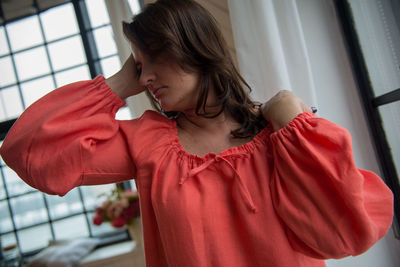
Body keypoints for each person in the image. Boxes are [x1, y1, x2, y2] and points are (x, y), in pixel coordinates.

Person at [0, 0, 393, 266]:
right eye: (138, 65)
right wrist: (118, 84)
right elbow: (30, 152)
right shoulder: (148, 144)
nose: (147, 76)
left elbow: (348, 231)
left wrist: (292, 119)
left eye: (153, 59)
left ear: (192, 46)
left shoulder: (283, 135)